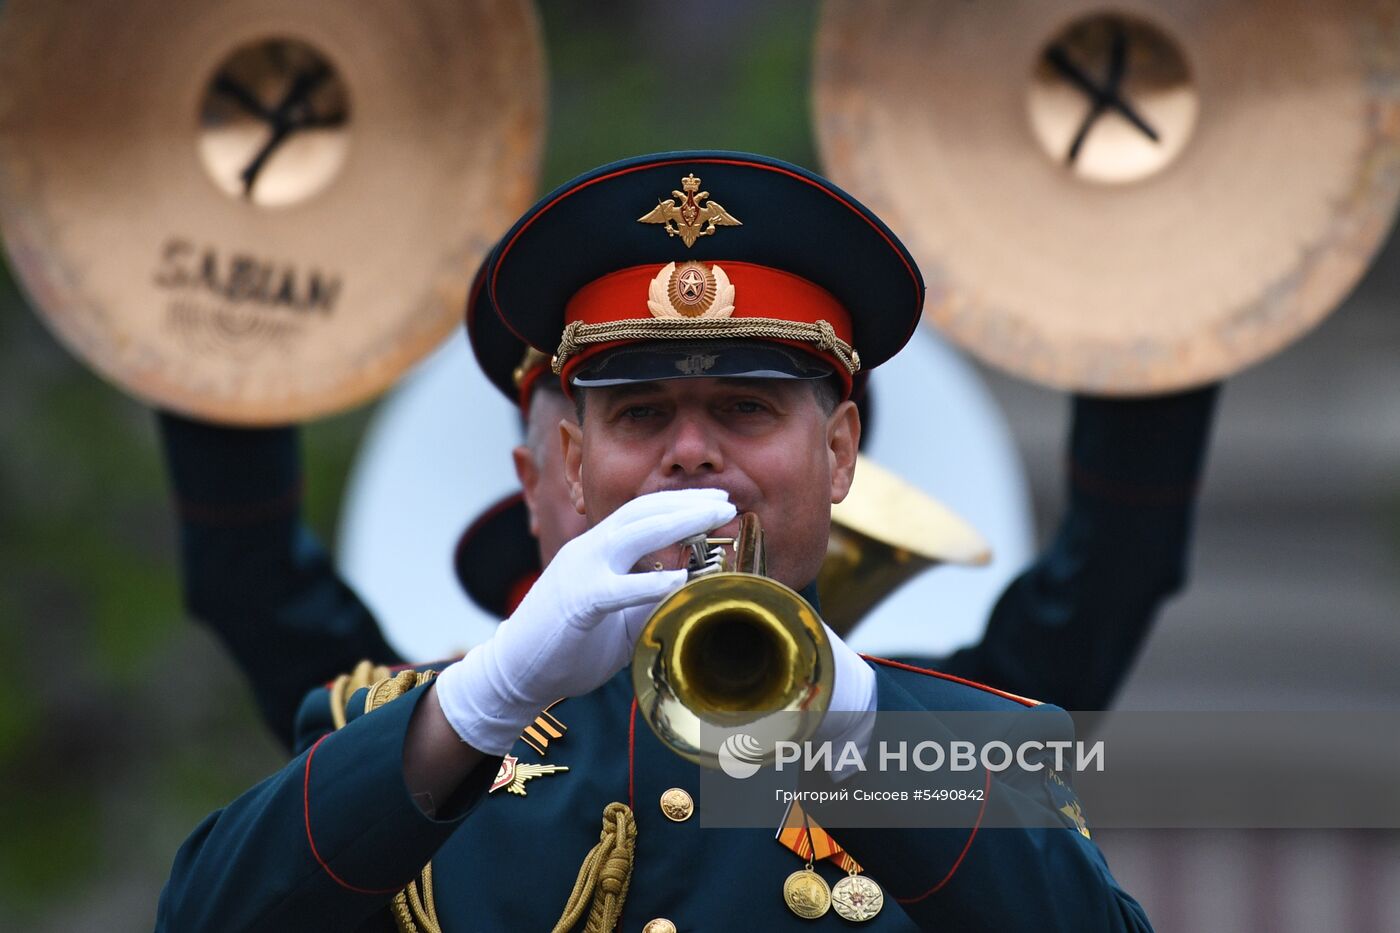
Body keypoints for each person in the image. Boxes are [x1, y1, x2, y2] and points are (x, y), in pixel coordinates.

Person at [157, 151, 1158, 931]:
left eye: (744, 408)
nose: (691, 453)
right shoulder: (408, 728)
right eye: (637, 415)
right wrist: (483, 698)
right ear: (572, 461)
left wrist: (850, 715)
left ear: (841, 452)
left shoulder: (944, 744)